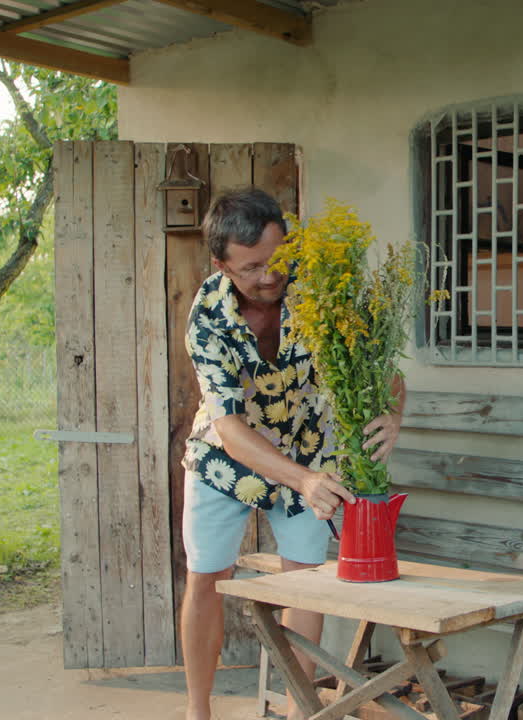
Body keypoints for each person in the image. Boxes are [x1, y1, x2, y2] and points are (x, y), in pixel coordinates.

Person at [180, 187, 406, 720]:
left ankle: (297, 711)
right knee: (206, 576)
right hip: (225, 457)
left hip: (312, 451)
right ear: (221, 264)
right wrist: (300, 480)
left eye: (278, 259)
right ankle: (197, 710)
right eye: (252, 266)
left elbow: (386, 370)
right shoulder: (207, 317)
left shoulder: (323, 288)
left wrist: (393, 414)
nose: (269, 275)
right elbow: (230, 428)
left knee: (303, 585)